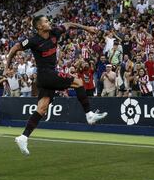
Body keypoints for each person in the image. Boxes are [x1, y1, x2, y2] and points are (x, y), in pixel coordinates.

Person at [6, 15, 107, 155]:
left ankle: (23, 137)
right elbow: (14, 49)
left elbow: (69, 24)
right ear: (39, 27)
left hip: (46, 78)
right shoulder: (33, 40)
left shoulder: (55, 32)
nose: (49, 22)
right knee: (78, 82)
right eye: (46, 21)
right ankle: (89, 114)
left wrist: (87, 29)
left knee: (41, 108)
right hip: (46, 75)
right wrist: (7, 67)